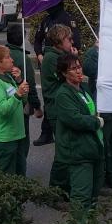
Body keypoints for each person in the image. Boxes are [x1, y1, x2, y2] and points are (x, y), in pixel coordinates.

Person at [51, 52, 105, 221]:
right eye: (73, 69)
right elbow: (75, 119)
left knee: (93, 195)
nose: (78, 71)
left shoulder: (83, 88)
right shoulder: (63, 94)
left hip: (93, 148)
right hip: (78, 152)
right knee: (81, 195)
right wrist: (96, 122)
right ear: (64, 73)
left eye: (79, 67)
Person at [81, 38, 112, 191]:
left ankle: (111, 174)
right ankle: (100, 178)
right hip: (104, 105)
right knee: (104, 142)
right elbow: (90, 70)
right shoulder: (92, 53)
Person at [32, 0, 81, 147]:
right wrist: (39, 54)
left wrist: (73, 57)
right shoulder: (46, 21)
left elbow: (76, 42)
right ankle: (46, 133)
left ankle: (46, 132)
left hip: (63, 59)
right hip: (50, 60)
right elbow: (37, 40)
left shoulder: (67, 20)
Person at [0, 44, 31, 175]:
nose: (12, 60)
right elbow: (2, 110)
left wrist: (20, 82)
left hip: (17, 135)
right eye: (8, 57)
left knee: (20, 174)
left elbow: (22, 102)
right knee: (5, 177)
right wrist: (18, 94)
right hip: (4, 138)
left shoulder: (8, 77)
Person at [39, 24, 75, 193]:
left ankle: (66, 186)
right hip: (56, 110)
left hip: (62, 109)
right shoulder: (53, 58)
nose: (72, 42)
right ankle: (56, 190)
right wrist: (73, 59)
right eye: (69, 39)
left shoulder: (60, 55)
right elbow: (68, 78)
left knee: (68, 150)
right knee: (63, 152)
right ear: (60, 41)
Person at [6, 25, 44, 161]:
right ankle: (19, 171)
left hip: (5, 104)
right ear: (22, 38)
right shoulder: (23, 58)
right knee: (22, 139)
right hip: (21, 103)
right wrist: (37, 107)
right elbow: (30, 85)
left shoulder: (1, 54)